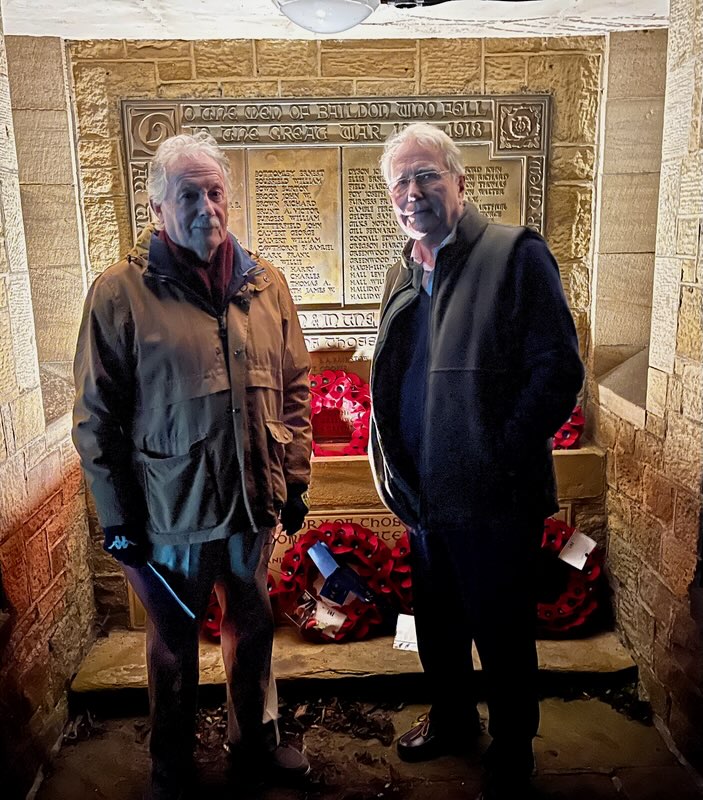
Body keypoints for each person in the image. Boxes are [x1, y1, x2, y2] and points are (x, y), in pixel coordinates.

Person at [72, 132, 312, 800]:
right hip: (171, 506)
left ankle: (254, 742)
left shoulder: (265, 284)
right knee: (173, 642)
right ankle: (172, 766)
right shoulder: (120, 293)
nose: (206, 207)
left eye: (214, 192)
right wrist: (117, 520)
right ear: (156, 208)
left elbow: (295, 386)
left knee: (252, 628)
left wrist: (294, 478)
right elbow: (96, 416)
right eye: (188, 195)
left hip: (251, 500)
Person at [369, 122, 584, 800]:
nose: (413, 192)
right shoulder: (402, 269)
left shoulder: (515, 255)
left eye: (426, 175)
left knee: (502, 629)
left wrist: (499, 453)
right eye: (400, 182)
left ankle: (513, 746)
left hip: (495, 497)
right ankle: (453, 719)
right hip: (424, 494)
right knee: (437, 624)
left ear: (459, 182)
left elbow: (557, 371)